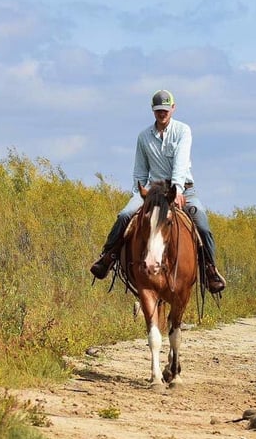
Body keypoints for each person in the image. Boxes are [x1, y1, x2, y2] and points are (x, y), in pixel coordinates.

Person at [90, 89, 226, 294]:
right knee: (125, 214)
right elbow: (140, 170)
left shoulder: (182, 131)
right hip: (153, 192)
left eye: (165, 109)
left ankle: (209, 269)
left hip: (182, 189)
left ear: (173, 108)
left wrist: (178, 190)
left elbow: (180, 163)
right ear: (152, 111)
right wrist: (139, 193)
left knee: (202, 222)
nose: (162, 113)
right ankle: (108, 257)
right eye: (158, 110)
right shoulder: (143, 137)